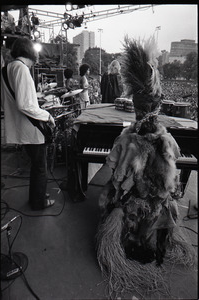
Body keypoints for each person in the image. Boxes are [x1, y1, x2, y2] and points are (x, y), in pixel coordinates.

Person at [96, 37, 195, 298]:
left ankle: (124, 242)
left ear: (135, 108)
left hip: (129, 210)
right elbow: (171, 183)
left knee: (116, 202)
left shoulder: (124, 140)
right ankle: (153, 241)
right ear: (159, 106)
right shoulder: (168, 141)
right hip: (155, 210)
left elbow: (114, 176)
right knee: (161, 207)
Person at [1, 37, 56, 211]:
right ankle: (38, 202)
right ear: (30, 51)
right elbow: (24, 104)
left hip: (21, 127)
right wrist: (47, 115)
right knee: (40, 167)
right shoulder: (22, 69)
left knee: (36, 165)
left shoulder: (6, 69)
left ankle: (38, 195)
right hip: (31, 128)